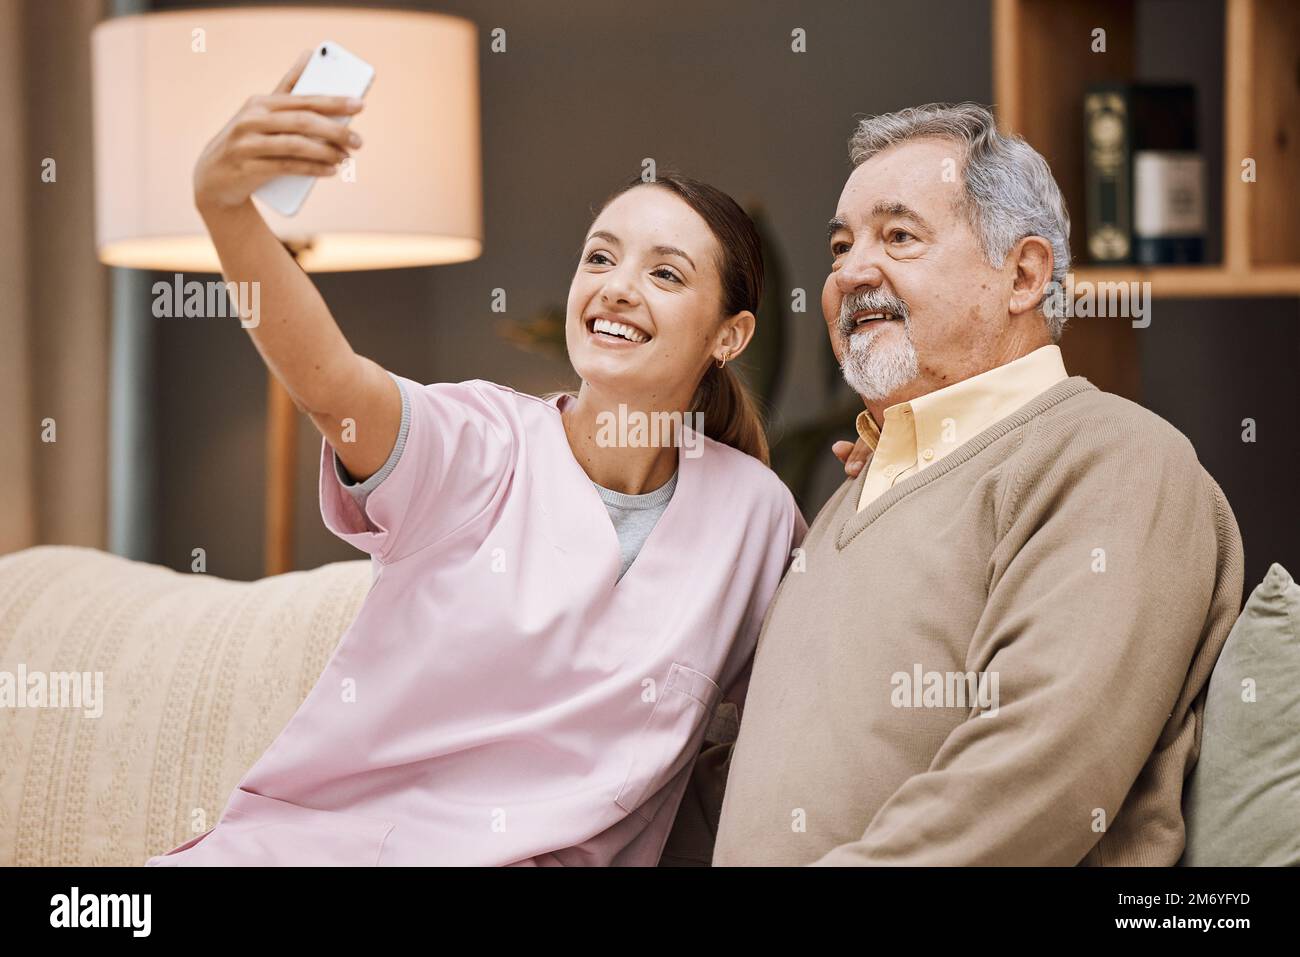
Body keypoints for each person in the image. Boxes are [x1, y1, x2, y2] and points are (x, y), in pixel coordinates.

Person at [147, 51, 805, 866]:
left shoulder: (756, 518)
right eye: (599, 257)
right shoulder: (475, 442)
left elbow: (834, 674)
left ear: (728, 336)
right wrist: (228, 212)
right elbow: (330, 384)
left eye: (664, 273)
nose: (617, 287)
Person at [669, 102, 1244, 866]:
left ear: (1023, 274)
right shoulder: (848, 497)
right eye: (840, 246)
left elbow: (1040, 770)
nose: (851, 272)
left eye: (899, 236)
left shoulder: (1115, 457)